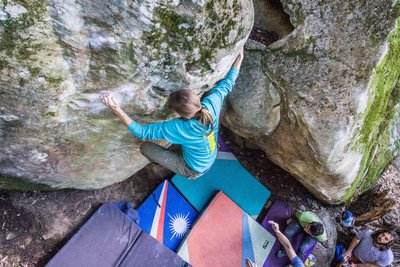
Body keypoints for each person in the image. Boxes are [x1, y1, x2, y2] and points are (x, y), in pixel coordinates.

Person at [101, 49, 244, 179]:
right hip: (209, 157)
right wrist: (238, 60)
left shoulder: (178, 128)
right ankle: (180, 151)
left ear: (177, 113)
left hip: (193, 169)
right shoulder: (211, 104)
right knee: (186, 142)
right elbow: (226, 85)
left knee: (145, 147)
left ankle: (165, 162)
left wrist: (116, 108)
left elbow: (142, 132)